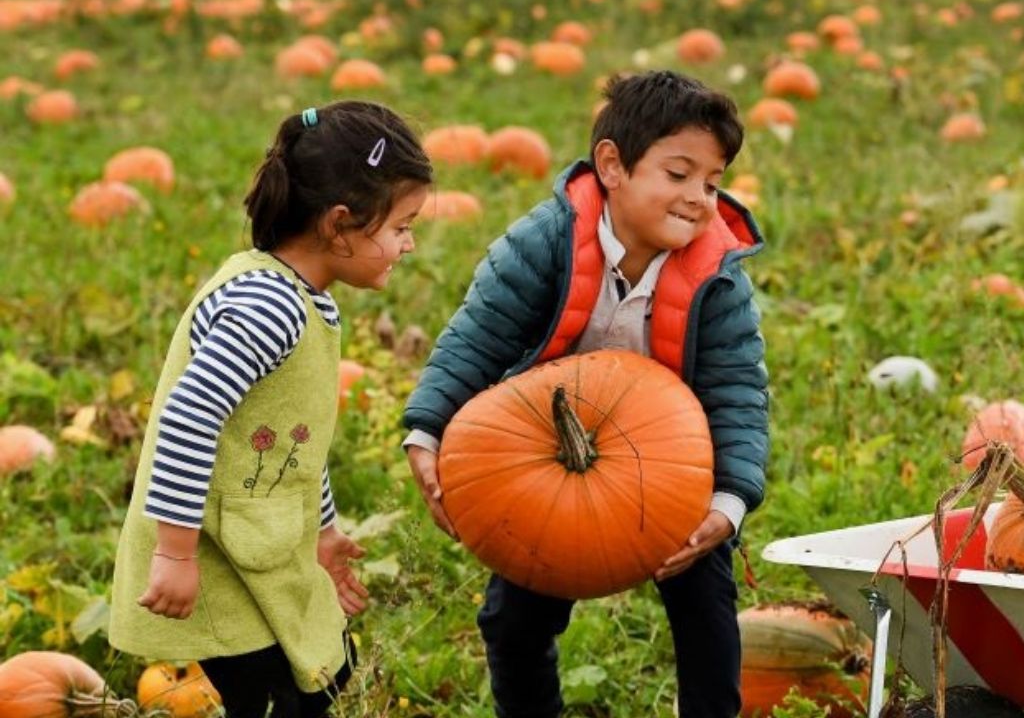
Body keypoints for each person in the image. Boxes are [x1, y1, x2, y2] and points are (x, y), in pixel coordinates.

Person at [402, 70, 769, 717]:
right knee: (512, 622)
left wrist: (730, 501)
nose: (698, 198)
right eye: (679, 174)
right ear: (612, 165)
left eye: (712, 183)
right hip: (547, 457)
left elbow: (737, 390)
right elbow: (477, 339)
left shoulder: (717, 278)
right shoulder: (543, 243)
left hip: (674, 468)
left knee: (708, 614)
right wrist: (427, 428)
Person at [109, 100, 433, 718]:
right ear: (340, 225)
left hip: (260, 536)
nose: (410, 243)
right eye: (401, 226)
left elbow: (293, 441)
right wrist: (174, 554)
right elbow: (188, 416)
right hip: (213, 553)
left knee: (329, 666)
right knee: (277, 691)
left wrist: (324, 531)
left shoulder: (301, 298)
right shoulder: (268, 305)